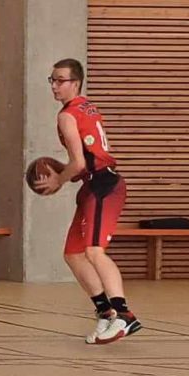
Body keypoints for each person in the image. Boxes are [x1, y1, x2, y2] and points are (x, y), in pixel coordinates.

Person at [33, 59, 141, 343]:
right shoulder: (86, 107)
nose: (54, 86)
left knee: (94, 252)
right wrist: (65, 172)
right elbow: (84, 162)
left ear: (76, 82)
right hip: (92, 185)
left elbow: (79, 163)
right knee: (73, 253)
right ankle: (106, 312)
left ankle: (125, 315)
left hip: (104, 185)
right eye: (52, 80)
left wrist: (58, 179)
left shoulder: (67, 115)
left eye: (60, 80)